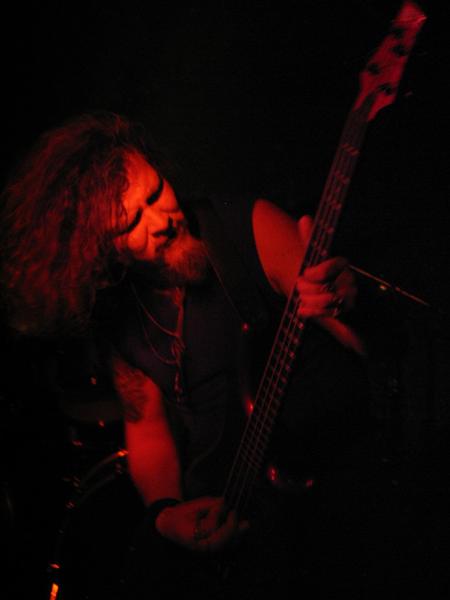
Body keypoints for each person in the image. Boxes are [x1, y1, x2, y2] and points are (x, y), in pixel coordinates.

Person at [0, 111, 374, 598]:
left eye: (156, 193)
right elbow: (146, 427)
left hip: (315, 509)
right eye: (131, 222)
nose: (160, 221)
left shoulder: (247, 226)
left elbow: (361, 348)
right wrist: (166, 514)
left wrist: (346, 301)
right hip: (225, 514)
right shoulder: (118, 310)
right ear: (99, 251)